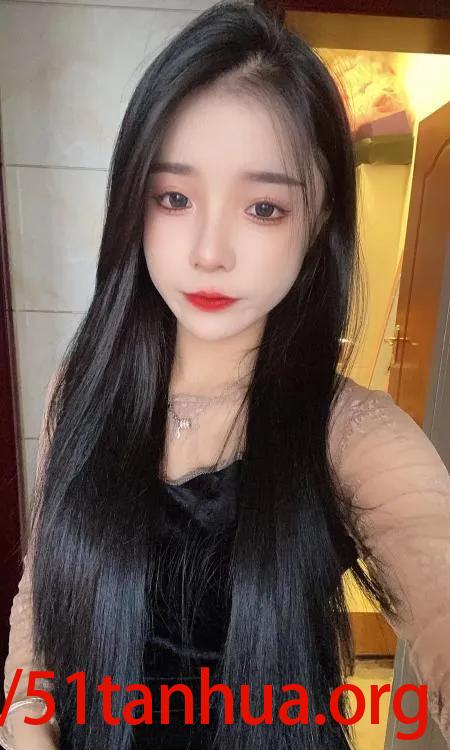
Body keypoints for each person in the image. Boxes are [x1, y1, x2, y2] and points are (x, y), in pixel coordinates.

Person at [1, 1, 450, 749]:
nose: (210, 251)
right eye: (175, 198)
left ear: (320, 221)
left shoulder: (352, 436)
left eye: (264, 208)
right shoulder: (81, 387)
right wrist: (25, 725)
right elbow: (40, 597)